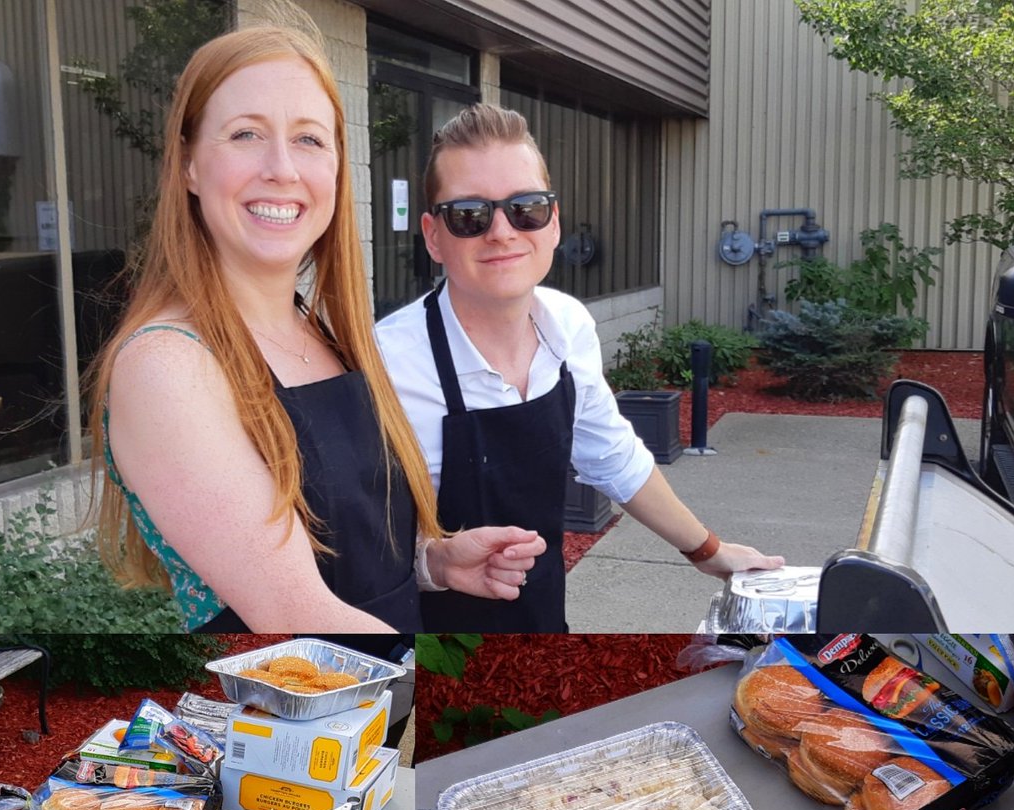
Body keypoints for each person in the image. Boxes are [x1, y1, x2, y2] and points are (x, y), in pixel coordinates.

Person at [89, 26, 545, 633]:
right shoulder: (168, 365)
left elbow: (340, 546)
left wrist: (431, 563)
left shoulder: (322, 335)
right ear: (190, 162)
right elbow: (294, 610)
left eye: (308, 139)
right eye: (246, 134)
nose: (281, 169)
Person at [375, 104, 784, 633]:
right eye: (470, 215)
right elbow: (350, 546)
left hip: (542, 621)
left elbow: (613, 455)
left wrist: (707, 550)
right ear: (433, 236)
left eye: (526, 208)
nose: (502, 232)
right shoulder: (383, 363)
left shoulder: (568, 325)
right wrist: (434, 563)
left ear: (554, 222)